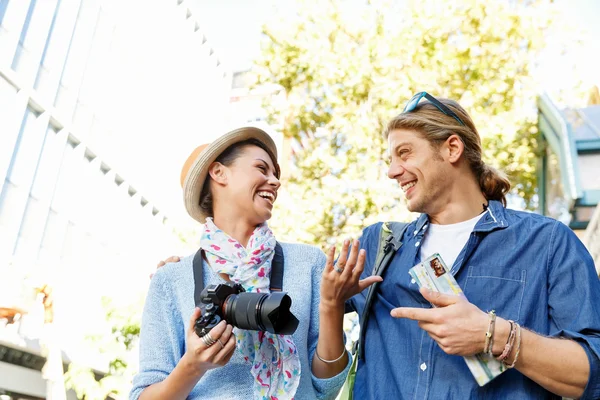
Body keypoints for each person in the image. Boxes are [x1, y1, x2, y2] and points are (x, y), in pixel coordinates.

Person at [345, 92, 600, 399]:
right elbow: (304, 307)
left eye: (405, 153)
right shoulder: (378, 246)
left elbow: (591, 375)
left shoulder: (547, 243)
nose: (392, 171)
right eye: (391, 160)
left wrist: (494, 335)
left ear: (452, 148)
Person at [130, 127, 376, 400]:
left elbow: (327, 387)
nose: (275, 182)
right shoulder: (172, 279)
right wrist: (193, 365)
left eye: (276, 174)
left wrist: (332, 306)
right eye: (262, 168)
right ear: (219, 173)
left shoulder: (308, 263)